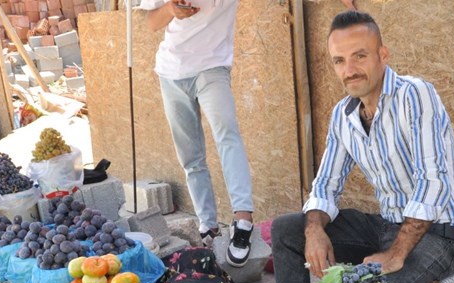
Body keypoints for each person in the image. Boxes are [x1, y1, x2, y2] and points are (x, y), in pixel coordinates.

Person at [271, 10, 454, 283]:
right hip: (384, 226)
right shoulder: (343, 115)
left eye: (360, 56)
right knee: (288, 229)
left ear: (383, 55)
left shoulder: (416, 95)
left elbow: (433, 182)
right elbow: (326, 185)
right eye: (339, 60)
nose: (350, 69)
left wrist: (396, 253)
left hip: (437, 235)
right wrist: (314, 228)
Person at [139, 1, 351, 266]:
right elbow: (150, 22)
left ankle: (243, 221)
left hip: (212, 67)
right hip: (171, 72)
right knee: (190, 154)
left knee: (227, 135)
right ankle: (208, 226)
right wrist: (171, 9)